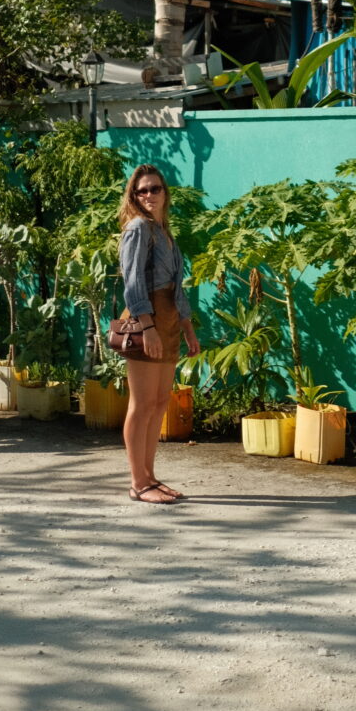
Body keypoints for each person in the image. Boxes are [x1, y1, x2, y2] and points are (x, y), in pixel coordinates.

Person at [116, 164, 201, 504]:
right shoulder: (138, 228)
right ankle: (138, 482)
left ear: (166, 192)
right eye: (142, 191)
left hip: (168, 319)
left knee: (159, 402)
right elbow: (132, 281)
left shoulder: (163, 231)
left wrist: (187, 329)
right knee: (141, 404)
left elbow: (177, 288)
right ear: (134, 197)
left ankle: (150, 476)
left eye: (155, 188)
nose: (149, 195)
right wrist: (147, 326)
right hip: (146, 317)